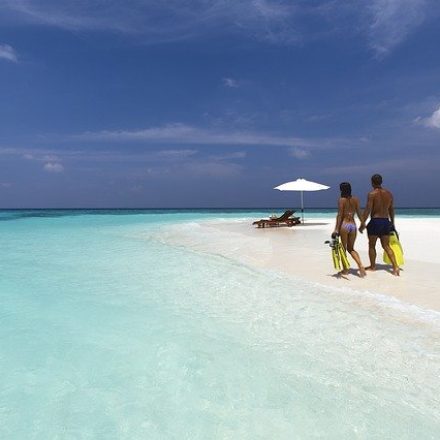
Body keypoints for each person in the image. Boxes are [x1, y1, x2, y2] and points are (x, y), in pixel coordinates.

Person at [359, 174, 400, 276]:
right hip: (386, 221)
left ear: (372, 182)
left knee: (372, 245)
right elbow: (391, 210)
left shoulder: (371, 194)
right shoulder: (389, 194)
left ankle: (373, 266)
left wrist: (362, 224)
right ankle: (395, 267)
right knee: (386, 246)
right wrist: (392, 223)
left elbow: (368, 210)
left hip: (375, 222)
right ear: (381, 181)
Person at [332, 182, 366, 277]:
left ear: (341, 190)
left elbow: (340, 215)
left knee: (343, 249)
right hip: (353, 225)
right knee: (351, 248)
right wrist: (363, 223)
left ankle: (346, 270)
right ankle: (360, 265)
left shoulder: (341, 200)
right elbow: (359, 213)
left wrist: (336, 229)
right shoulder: (355, 199)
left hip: (344, 225)